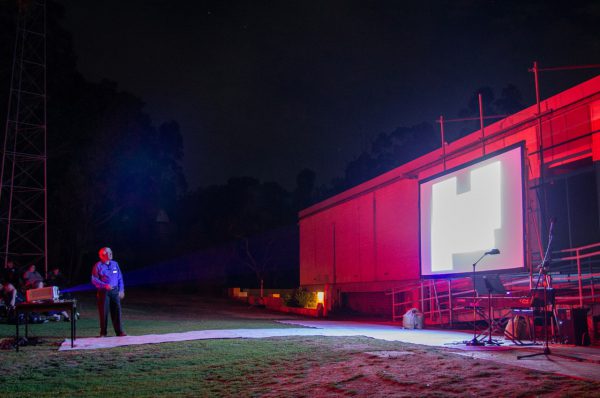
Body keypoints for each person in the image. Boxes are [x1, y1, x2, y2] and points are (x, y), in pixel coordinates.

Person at [91, 247, 126, 337]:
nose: (111, 254)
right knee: (104, 312)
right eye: (108, 253)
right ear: (102, 255)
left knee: (117, 311)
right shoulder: (98, 265)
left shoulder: (115, 264)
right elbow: (94, 280)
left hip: (115, 291)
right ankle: (103, 333)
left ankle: (119, 332)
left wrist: (121, 290)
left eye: (111, 252)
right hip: (103, 292)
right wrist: (104, 285)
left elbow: (120, 278)